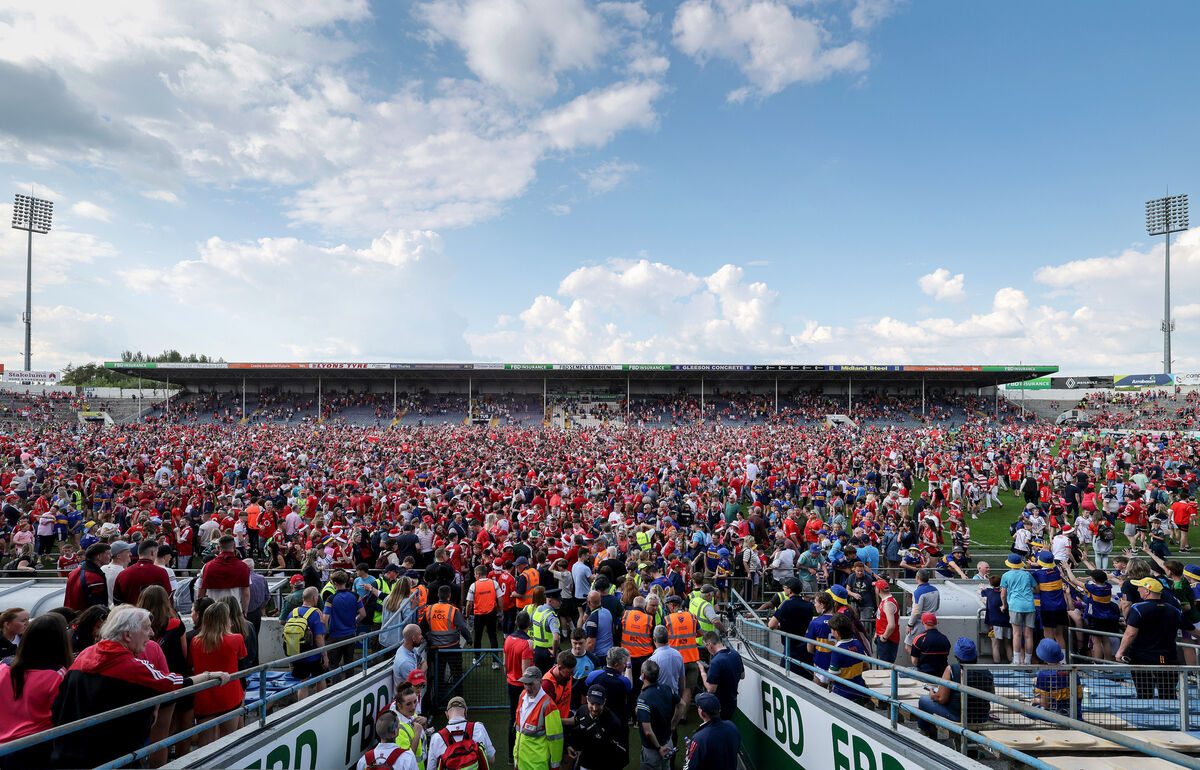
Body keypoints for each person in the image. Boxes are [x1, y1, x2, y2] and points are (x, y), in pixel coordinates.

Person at [50, 606, 229, 768]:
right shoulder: (131, 666)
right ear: (127, 635)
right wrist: (208, 676)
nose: (151, 633)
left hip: (70, 751)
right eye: (146, 628)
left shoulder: (85, 654)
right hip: (113, 756)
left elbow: (59, 701)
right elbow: (173, 683)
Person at [0, 614, 71, 770]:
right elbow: (64, 716)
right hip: (36, 748)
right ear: (61, 640)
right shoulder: (58, 675)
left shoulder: (3, 667)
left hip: (4, 747)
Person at [1116, 576, 1195, 699]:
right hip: (1168, 658)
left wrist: (1120, 652)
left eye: (1140, 587)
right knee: (1168, 695)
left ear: (1147, 591)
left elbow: (1130, 633)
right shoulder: (1173, 610)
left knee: (1144, 695)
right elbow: (1193, 631)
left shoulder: (1137, 609)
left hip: (1141, 658)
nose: (1137, 590)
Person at [190, 601, 247, 745]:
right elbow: (242, 656)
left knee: (205, 742)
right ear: (225, 620)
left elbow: (192, 664)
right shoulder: (236, 639)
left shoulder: (195, 642)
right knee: (228, 740)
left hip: (204, 697)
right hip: (230, 695)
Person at [917, 638, 994, 737]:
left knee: (923, 700)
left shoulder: (952, 669)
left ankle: (925, 734)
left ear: (957, 655)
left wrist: (932, 694)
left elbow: (941, 699)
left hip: (957, 715)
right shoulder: (986, 671)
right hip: (981, 717)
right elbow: (992, 695)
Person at [513, 665, 564, 770]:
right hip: (520, 762)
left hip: (537, 766)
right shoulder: (522, 696)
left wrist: (555, 767)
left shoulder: (549, 707)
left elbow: (556, 740)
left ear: (541, 682)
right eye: (525, 683)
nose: (527, 687)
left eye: (531, 684)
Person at [425, 695, 496, 770]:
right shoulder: (478, 728)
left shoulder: (436, 738)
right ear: (466, 711)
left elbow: (431, 768)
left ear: (447, 714)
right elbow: (491, 760)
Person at [429, 583, 472, 701]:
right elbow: (463, 627)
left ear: (438, 595)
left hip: (436, 649)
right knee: (457, 674)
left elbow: (423, 627)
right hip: (452, 648)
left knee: (439, 675)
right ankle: (458, 700)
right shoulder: (453, 610)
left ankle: (439, 699)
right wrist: (469, 640)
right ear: (449, 596)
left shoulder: (430, 609)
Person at [566, 685, 626, 770]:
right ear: (587, 699)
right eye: (592, 703)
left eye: (598, 704)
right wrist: (560, 721)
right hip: (584, 764)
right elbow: (576, 721)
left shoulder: (613, 723)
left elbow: (620, 753)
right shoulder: (582, 710)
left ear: (604, 701)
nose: (594, 708)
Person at [637, 659, 681, 770]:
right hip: (668, 742)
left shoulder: (643, 699)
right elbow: (682, 704)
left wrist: (658, 748)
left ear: (643, 675)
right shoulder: (667, 688)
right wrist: (673, 725)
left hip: (653, 750)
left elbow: (647, 731)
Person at [324, 569, 366, 682]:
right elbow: (363, 614)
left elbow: (324, 620)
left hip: (334, 636)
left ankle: (336, 689)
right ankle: (350, 685)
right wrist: (355, 621)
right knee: (349, 662)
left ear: (335, 583)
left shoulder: (331, 599)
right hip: (350, 634)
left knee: (334, 665)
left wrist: (327, 633)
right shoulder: (355, 596)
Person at [286, 587, 328, 699]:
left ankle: (302, 708)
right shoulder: (315, 613)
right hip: (313, 655)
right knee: (320, 678)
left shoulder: (292, 613)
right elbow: (319, 638)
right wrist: (325, 656)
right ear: (314, 598)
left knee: (303, 682)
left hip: (297, 654)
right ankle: (321, 704)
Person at [767, 579, 814, 676]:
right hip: (804, 646)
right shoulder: (809, 605)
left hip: (790, 647)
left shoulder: (787, 603)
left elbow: (771, 625)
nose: (784, 589)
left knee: (787, 678)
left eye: (785, 588)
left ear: (790, 590)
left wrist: (780, 625)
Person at [683, 691, 739, 770]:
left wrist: (690, 750)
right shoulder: (732, 727)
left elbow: (688, 767)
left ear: (702, 713)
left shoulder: (699, 738)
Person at [504, 612, 535, 752]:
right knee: (526, 718)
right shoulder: (528, 643)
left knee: (512, 718)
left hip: (511, 683)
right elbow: (526, 672)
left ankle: (511, 754)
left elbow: (505, 664)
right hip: (522, 687)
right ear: (529, 624)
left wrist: (510, 677)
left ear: (516, 622)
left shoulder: (508, 639)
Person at [999, 553, 1037, 664]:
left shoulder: (1006, 575)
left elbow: (1003, 594)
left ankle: (1016, 661)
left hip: (1015, 606)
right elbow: (1036, 589)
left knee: (1016, 634)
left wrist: (1004, 605)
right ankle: (1027, 662)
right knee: (1029, 635)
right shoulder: (1027, 575)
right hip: (1029, 606)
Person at [197, 535, 251, 610]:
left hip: (213, 611)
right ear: (234, 546)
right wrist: (245, 611)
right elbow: (246, 593)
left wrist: (201, 610)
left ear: (218, 548)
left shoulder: (207, 567)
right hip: (234, 611)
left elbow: (201, 592)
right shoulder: (243, 567)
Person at [113, 539, 173, 606]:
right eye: (157, 552)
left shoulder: (123, 574)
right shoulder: (161, 572)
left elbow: (117, 600)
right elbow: (167, 598)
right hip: (153, 614)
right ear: (152, 553)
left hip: (129, 614)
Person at [700, 630, 743, 720]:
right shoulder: (735, 654)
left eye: (706, 646)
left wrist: (702, 672)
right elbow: (742, 675)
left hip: (719, 705)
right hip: (732, 701)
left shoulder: (716, 662)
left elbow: (711, 689)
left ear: (710, 645)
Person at [827, 613, 868, 705]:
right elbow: (866, 665)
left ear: (836, 632)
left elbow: (832, 674)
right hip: (858, 690)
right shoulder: (857, 643)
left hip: (843, 693)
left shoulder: (837, 650)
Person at [64, 542, 111, 612]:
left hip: (73, 615)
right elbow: (97, 609)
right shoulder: (94, 578)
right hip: (87, 619)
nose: (111, 556)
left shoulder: (74, 572)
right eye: (108, 553)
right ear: (99, 556)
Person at [465, 564, 502, 654]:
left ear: (477, 574)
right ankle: (495, 661)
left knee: (478, 637)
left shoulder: (473, 585)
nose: (474, 576)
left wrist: (467, 615)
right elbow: (500, 599)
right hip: (491, 614)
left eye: (474, 574)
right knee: (493, 636)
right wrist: (500, 612)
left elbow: (469, 603)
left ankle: (477, 658)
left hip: (479, 615)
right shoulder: (494, 583)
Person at [648, 625, 685, 699]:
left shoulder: (652, 660)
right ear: (668, 638)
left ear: (654, 639)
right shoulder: (678, 655)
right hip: (674, 697)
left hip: (659, 699)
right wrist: (679, 698)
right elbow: (682, 680)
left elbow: (647, 685)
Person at [908, 612, 950, 677]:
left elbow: (914, 661)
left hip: (924, 674)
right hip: (942, 674)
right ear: (936, 623)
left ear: (923, 623)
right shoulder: (944, 638)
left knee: (901, 672)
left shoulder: (919, 638)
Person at [905, 569, 940, 646]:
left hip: (920, 624)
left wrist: (910, 624)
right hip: (933, 623)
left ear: (917, 577)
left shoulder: (918, 592)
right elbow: (937, 606)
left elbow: (916, 612)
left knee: (909, 646)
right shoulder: (936, 590)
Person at [872, 579, 901, 663]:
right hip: (885, 637)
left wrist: (884, 637)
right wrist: (877, 633)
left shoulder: (888, 604)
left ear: (879, 590)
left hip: (888, 640)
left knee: (886, 667)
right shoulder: (886, 601)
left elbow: (891, 625)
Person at [392, 623, 425, 691]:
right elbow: (417, 686)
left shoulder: (411, 649)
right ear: (413, 638)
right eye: (419, 635)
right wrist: (419, 671)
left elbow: (425, 663)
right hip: (406, 699)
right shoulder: (405, 662)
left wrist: (417, 673)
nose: (422, 636)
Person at [101, 541, 133, 607]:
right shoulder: (124, 573)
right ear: (118, 556)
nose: (131, 554)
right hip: (119, 610)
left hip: (106, 609)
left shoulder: (103, 568)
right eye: (128, 552)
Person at [583, 590, 615, 657]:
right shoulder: (607, 612)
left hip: (598, 655)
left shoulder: (592, 620)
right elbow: (612, 630)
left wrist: (584, 657)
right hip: (609, 653)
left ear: (588, 602)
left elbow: (590, 644)